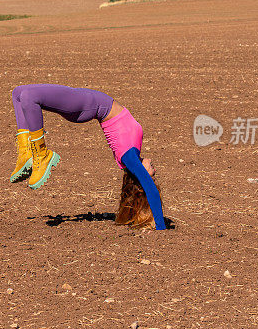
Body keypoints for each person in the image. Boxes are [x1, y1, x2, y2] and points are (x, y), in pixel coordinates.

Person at [10, 84, 166, 230]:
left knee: (29, 96)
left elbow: (150, 189)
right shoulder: (134, 152)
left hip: (87, 104)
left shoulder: (129, 157)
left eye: (152, 175)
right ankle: (26, 153)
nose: (155, 171)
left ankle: (42, 154)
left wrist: (160, 226)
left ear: (141, 177)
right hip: (88, 101)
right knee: (18, 93)